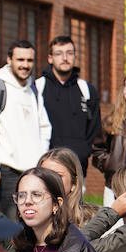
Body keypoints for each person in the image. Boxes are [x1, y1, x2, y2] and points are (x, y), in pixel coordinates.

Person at [0, 39, 54, 217]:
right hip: (6, 173)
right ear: (9, 60)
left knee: (31, 224)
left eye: (29, 60)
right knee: (9, 227)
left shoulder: (33, 90)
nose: (25, 65)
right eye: (20, 60)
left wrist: (41, 157)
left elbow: (45, 127)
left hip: (33, 172)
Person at [36, 35, 102, 170]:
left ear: (75, 56)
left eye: (69, 53)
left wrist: (83, 151)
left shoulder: (87, 90)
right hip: (45, 168)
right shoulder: (37, 88)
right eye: (58, 53)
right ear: (50, 58)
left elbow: (94, 129)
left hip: (77, 168)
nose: (65, 58)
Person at [37, 148, 96, 229]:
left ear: (74, 182)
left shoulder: (94, 220)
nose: (49, 181)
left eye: (57, 176)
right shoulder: (27, 219)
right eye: (43, 176)